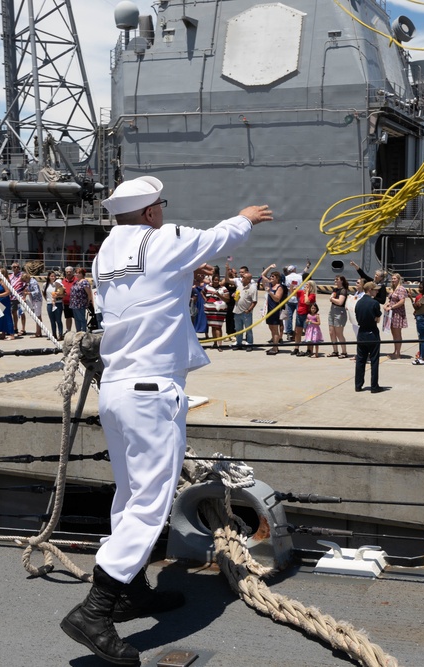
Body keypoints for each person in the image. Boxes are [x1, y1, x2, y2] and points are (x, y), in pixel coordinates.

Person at [61, 174, 272, 665]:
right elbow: (218, 239)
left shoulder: (105, 253)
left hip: (116, 388)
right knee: (150, 502)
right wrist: (246, 217)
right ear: (152, 211)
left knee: (130, 493)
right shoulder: (165, 240)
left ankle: (131, 589)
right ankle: (95, 609)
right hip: (153, 389)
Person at [354, 282, 386, 393]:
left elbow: (357, 317)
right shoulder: (374, 303)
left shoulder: (358, 303)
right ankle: (374, 386)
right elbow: (377, 319)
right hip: (372, 333)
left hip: (361, 332)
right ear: (370, 290)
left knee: (360, 360)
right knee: (374, 360)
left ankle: (358, 385)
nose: (377, 292)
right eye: (375, 290)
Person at [231, 267, 257, 350]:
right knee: (238, 329)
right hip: (237, 310)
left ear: (248, 279)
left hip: (246, 312)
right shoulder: (239, 286)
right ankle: (239, 343)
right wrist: (234, 295)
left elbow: (254, 301)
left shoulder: (253, 288)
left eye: (244, 278)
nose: (241, 278)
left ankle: (249, 344)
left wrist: (249, 310)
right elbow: (236, 294)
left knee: (248, 329)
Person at [383, 272, 407, 359]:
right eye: (392, 279)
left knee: (397, 334)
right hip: (391, 314)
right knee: (393, 333)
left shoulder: (401, 289)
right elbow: (390, 299)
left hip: (398, 314)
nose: (393, 280)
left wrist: (392, 307)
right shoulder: (392, 289)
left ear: (398, 279)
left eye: (394, 278)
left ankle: (398, 353)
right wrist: (386, 305)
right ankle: (395, 351)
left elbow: (402, 301)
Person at [328, 275, 349, 358]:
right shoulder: (335, 289)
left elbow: (340, 302)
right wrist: (332, 299)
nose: (335, 281)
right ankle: (335, 350)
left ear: (342, 281)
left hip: (339, 311)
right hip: (332, 310)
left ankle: (344, 352)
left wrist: (331, 299)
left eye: (337, 279)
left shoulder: (343, 290)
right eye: (335, 279)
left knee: (339, 333)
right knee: (331, 332)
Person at [293, 281, 317, 355]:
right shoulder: (301, 292)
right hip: (299, 313)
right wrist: (293, 287)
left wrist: (306, 293)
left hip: (307, 315)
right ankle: (296, 348)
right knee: (297, 332)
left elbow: (307, 301)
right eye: (305, 285)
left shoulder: (312, 295)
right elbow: (293, 293)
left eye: (307, 286)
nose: (305, 287)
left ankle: (309, 349)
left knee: (308, 332)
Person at [70, 268, 94, 334]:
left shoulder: (85, 282)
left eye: (79, 273)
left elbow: (89, 294)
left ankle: (83, 333)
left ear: (82, 274)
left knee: (82, 319)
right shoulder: (76, 282)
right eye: (76, 273)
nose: (77, 274)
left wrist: (88, 302)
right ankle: (78, 332)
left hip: (81, 304)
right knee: (76, 319)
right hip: (74, 304)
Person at [44, 270, 64, 340]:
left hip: (58, 303)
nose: (53, 278)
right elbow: (44, 293)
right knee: (52, 320)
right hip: (49, 303)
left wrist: (58, 296)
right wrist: (48, 300)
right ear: (49, 277)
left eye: (54, 276)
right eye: (51, 276)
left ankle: (60, 334)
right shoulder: (45, 285)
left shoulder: (58, 284)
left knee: (58, 320)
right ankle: (54, 334)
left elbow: (63, 294)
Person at [61, 266, 78, 334]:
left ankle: (78, 331)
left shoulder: (76, 280)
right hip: (66, 303)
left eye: (70, 272)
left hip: (75, 303)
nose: (68, 273)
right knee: (68, 318)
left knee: (76, 318)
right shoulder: (63, 281)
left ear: (73, 272)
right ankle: (68, 331)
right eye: (67, 272)